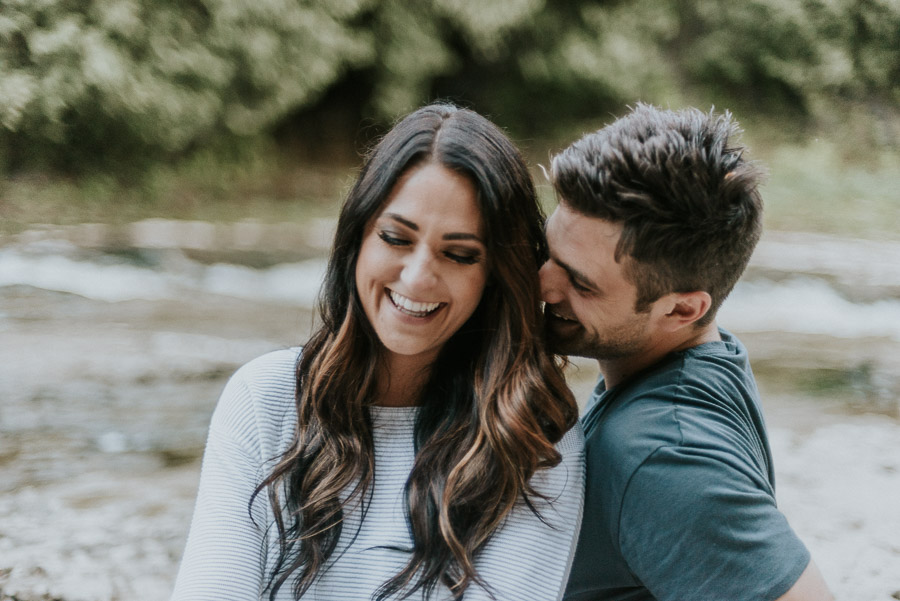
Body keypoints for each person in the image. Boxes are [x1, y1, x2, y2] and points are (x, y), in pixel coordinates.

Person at [170, 103, 584, 601]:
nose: (416, 277)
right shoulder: (264, 400)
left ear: (496, 275)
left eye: (458, 254)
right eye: (395, 238)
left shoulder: (535, 436)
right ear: (357, 239)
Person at [539, 104, 833, 601]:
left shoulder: (662, 454)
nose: (542, 283)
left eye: (581, 283)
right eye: (548, 253)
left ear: (681, 310)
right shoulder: (706, 360)